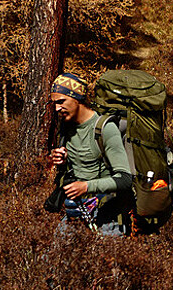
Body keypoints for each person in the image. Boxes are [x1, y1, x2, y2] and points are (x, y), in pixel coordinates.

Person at [49, 73, 134, 236]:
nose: (57, 109)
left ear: (77, 98)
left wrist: (86, 186)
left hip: (107, 220)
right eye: (54, 103)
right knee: (49, 260)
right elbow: (81, 166)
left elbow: (125, 178)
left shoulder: (105, 129)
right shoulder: (67, 127)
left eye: (61, 102)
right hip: (74, 214)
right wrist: (62, 162)